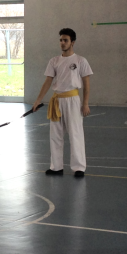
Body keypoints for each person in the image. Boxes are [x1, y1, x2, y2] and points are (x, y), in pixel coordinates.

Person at [32, 29, 92, 177]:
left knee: (75, 133)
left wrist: (85, 104)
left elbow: (86, 84)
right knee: (55, 135)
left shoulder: (81, 61)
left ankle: (79, 167)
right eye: (61, 40)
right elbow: (48, 81)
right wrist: (38, 100)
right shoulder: (54, 61)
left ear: (72, 42)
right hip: (57, 101)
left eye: (65, 40)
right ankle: (56, 167)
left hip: (73, 100)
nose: (62, 43)